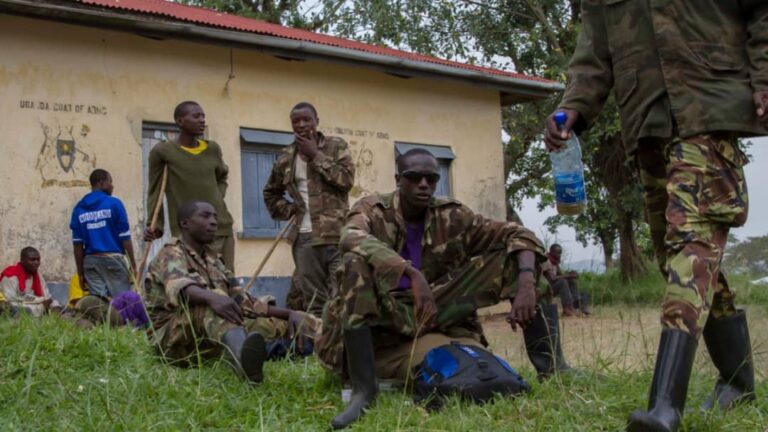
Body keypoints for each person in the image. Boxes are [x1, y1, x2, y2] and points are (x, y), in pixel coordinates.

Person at [544, 3, 768, 430]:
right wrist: (573, 107)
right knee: (681, 259)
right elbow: (593, 55)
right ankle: (738, 383)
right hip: (646, 119)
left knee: (692, 246)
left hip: (708, 105)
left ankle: (664, 404)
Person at [318, 149, 574, 429]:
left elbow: (518, 233)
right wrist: (409, 272)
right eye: (414, 177)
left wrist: (525, 283)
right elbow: (349, 236)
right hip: (386, 315)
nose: (423, 184)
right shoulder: (374, 210)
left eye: (431, 178)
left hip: (437, 308)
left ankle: (552, 370)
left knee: (523, 259)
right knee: (354, 263)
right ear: (398, 180)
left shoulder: (452, 215)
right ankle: (364, 390)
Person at [145, 201, 318, 383]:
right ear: (185, 224)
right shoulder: (170, 253)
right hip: (172, 341)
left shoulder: (214, 260)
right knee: (218, 301)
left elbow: (242, 301)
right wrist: (214, 298)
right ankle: (245, 367)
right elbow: (183, 289)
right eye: (205, 216)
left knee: (273, 323)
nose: (213, 222)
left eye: (215, 217)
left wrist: (289, 314)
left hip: (209, 333)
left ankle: (329, 344)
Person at [263, 102, 355, 316]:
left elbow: (347, 180)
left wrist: (315, 155)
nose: (302, 124)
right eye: (296, 121)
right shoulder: (286, 158)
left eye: (307, 120)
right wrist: (289, 209)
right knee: (314, 301)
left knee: (342, 297)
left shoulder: (335, 146)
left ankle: (343, 348)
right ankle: (320, 347)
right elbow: (270, 193)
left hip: (337, 236)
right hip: (304, 240)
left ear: (317, 122)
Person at [145, 101, 236, 272]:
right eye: (196, 116)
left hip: (220, 227)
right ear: (180, 121)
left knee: (225, 279)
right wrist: (155, 225)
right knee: (195, 281)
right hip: (188, 232)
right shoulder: (163, 152)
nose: (202, 120)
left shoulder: (213, 149)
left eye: (203, 116)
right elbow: (155, 190)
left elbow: (222, 176)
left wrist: (217, 195)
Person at [70, 169, 137, 325]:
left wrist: (80, 272)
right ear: (101, 183)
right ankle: (126, 334)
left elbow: (77, 244)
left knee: (99, 304)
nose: (112, 186)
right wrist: (133, 263)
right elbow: (124, 238)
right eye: (110, 181)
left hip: (90, 263)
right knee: (123, 304)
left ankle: (103, 333)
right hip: (113, 260)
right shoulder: (114, 204)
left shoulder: (79, 208)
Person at [0, 247, 61, 317]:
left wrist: (55, 306)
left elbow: (46, 297)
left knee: (55, 305)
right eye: (32, 260)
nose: (36, 262)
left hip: (37, 307)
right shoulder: (10, 276)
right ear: (22, 260)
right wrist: (38, 303)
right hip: (19, 309)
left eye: (38, 259)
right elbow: (9, 301)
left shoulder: (37, 275)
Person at [542, 244, 589, 317]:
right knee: (563, 282)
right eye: (557, 253)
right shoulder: (546, 261)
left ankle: (575, 304)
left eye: (560, 253)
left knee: (570, 281)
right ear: (551, 252)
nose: (559, 255)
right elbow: (552, 278)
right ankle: (567, 308)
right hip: (547, 288)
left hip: (553, 286)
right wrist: (568, 275)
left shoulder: (555, 262)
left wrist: (570, 274)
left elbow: (561, 274)